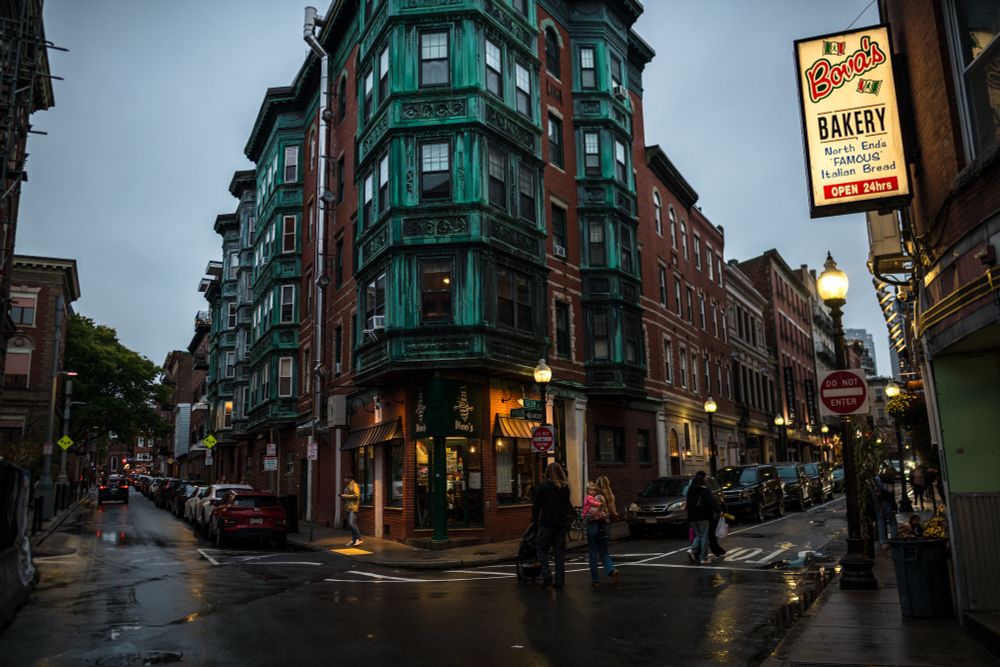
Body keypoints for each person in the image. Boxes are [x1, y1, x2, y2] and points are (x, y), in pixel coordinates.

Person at [531, 462, 572, 589]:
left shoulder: (543, 487)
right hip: (560, 525)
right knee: (559, 554)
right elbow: (566, 507)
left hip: (546, 524)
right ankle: (559, 581)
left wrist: (535, 520)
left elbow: (536, 506)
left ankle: (547, 576)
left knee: (541, 549)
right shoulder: (565, 489)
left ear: (547, 473)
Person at [585, 476, 619, 587]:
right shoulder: (611, 496)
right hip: (606, 526)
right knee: (604, 551)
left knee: (593, 552)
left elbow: (593, 512)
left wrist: (585, 517)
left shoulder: (598, 497)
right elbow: (613, 513)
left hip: (596, 525)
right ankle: (611, 570)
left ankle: (595, 579)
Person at [686, 471, 714, 564]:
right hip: (703, 517)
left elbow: (688, 504)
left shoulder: (690, 489)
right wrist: (711, 516)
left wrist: (689, 518)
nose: (706, 478)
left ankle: (692, 549)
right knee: (704, 537)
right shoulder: (705, 489)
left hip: (693, 517)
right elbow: (709, 504)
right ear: (703, 478)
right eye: (705, 477)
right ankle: (704, 558)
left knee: (698, 535)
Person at [875, 468, 898, 549]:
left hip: (877, 503)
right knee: (893, 523)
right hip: (887, 503)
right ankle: (894, 540)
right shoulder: (890, 481)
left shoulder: (877, 479)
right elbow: (891, 495)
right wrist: (894, 506)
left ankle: (883, 542)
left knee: (881, 522)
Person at [340, 473, 362, 546]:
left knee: (351, 523)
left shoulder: (354, 485)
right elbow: (348, 496)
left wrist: (345, 496)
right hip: (348, 507)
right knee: (351, 524)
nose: (344, 480)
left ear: (350, 479)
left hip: (353, 507)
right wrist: (342, 497)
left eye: (346, 478)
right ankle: (354, 540)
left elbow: (357, 496)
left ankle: (359, 539)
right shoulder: (348, 486)